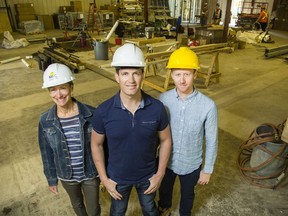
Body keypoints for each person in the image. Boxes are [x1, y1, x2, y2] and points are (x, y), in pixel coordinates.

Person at [90, 43, 172, 216]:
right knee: (118, 211)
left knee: (150, 210)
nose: (131, 80)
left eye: (136, 73)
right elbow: (96, 145)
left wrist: (160, 174)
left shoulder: (157, 108)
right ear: (116, 76)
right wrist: (104, 179)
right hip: (117, 178)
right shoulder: (103, 111)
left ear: (143, 74)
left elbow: (165, 140)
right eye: (125, 73)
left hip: (148, 176)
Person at [157, 47, 218, 216]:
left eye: (187, 74)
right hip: (166, 161)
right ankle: (164, 208)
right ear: (171, 75)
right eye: (177, 74)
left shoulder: (208, 106)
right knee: (164, 190)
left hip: (191, 163)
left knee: (188, 195)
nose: (182, 80)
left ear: (195, 75)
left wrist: (207, 169)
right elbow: (155, 133)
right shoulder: (163, 100)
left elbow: (212, 140)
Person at [38, 63, 101, 216]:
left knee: (93, 210)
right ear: (48, 91)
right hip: (67, 176)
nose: (58, 94)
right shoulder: (45, 120)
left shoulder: (92, 114)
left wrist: (106, 172)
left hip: (90, 173)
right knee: (77, 204)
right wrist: (51, 178)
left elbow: (103, 146)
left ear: (72, 87)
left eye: (63, 88)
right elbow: (46, 153)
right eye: (53, 89)